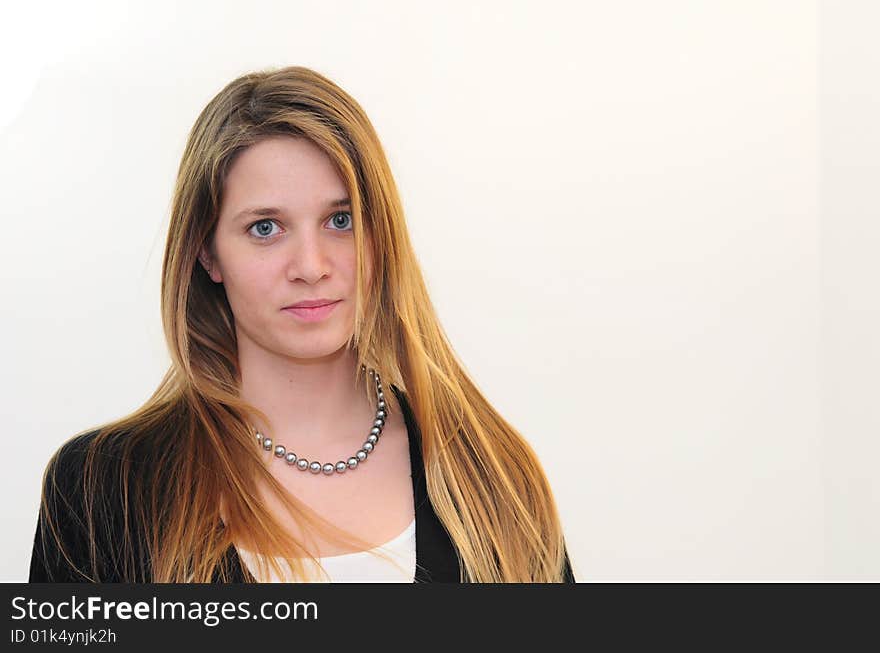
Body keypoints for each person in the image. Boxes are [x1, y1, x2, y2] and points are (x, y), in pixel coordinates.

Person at [28, 66, 576, 583]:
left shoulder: (492, 476)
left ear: (379, 235)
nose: (312, 267)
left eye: (341, 221)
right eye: (265, 228)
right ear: (207, 253)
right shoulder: (104, 488)